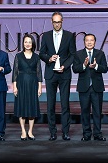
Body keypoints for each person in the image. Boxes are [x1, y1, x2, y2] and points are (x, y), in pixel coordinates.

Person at [39, 11, 76, 141]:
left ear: (62, 21)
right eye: (54, 22)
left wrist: (64, 66)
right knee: (50, 105)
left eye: (59, 22)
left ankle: (65, 132)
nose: (57, 24)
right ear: (51, 22)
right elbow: (41, 53)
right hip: (50, 74)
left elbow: (72, 55)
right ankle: (52, 132)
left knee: (65, 104)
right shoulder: (46, 36)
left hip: (64, 74)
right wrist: (49, 59)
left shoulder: (69, 36)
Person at [72, 33, 108, 141]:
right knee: (85, 111)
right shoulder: (78, 54)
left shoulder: (100, 53)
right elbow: (75, 68)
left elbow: (105, 69)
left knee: (97, 111)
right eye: (87, 40)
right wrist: (84, 65)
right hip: (84, 87)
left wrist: (96, 66)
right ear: (84, 42)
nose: (89, 42)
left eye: (91, 40)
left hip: (97, 87)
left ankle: (97, 134)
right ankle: (86, 134)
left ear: (95, 42)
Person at [13, 34, 42, 141]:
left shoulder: (36, 57)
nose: (28, 44)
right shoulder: (18, 56)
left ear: (33, 43)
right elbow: (15, 72)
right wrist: (14, 86)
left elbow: (39, 73)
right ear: (23, 43)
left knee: (32, 107)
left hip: (33, 84)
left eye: (30, 42)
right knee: (22, 106)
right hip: (21, 83)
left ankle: (30, 131)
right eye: (26, 42)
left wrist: (39, 87)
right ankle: (23, 131)